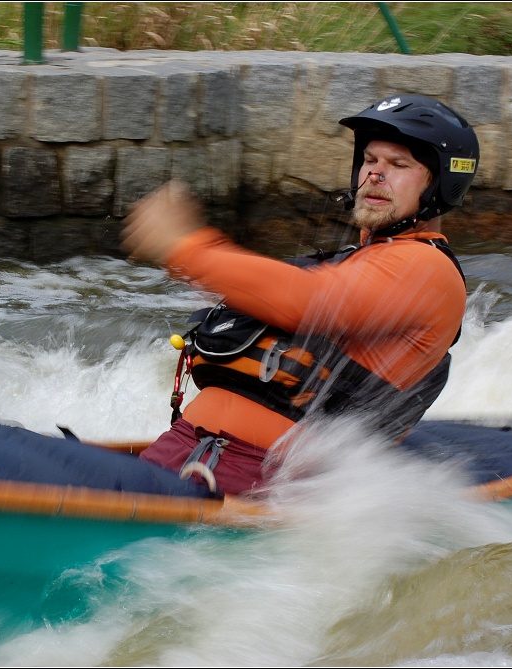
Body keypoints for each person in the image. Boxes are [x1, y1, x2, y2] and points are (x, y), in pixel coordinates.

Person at [120, 94, 479, 496]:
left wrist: (185, 249)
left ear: (440, 186)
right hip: (189, 450)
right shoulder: (358, 261)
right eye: (370, 160)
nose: (375, 175)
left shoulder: (427, 270)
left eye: (399, 166)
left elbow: (312, 303)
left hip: (259, 475)